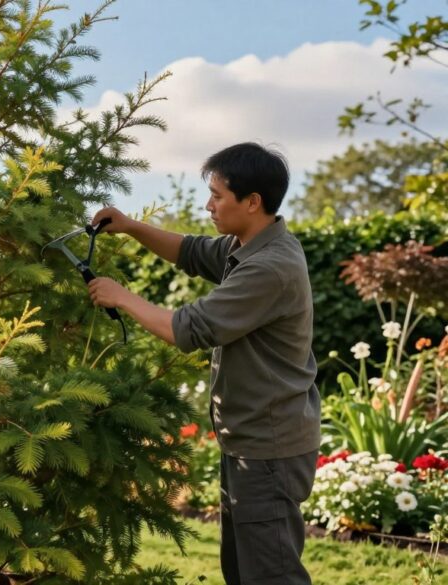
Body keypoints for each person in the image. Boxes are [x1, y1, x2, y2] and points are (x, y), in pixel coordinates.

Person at [87, 142, 321, 585]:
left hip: (269, 448)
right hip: (252, 439)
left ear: (252, 202)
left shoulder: (269, 267)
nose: (208, 204)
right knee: (242, 569)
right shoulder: (249, 246)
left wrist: (122, 296)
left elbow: (189, 328)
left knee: (270, 574)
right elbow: (192, 252)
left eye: (217, 195)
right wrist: (132, 226)